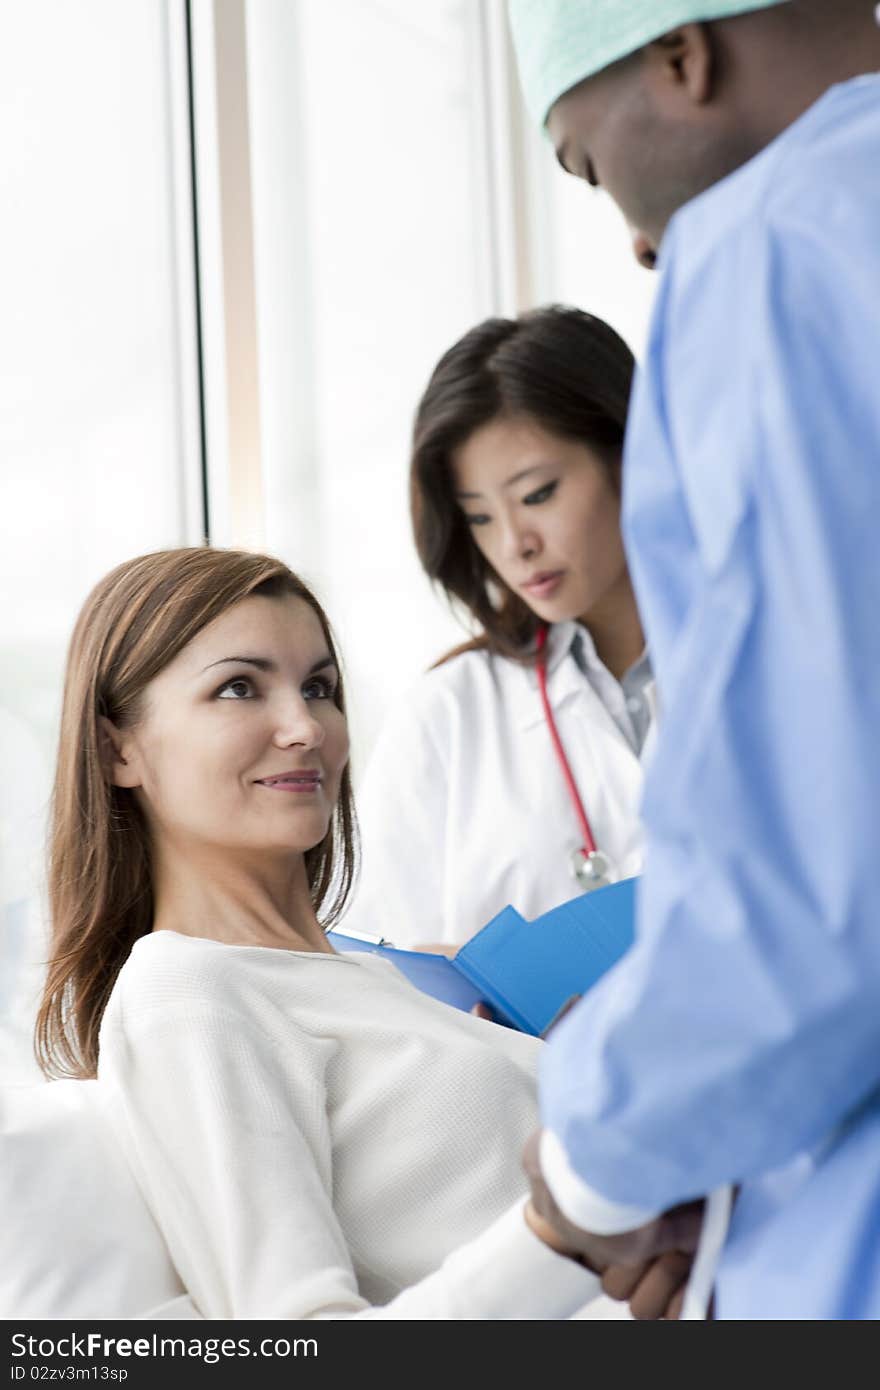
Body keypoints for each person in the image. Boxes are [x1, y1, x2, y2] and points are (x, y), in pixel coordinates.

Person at [506, 0, 880, 1317]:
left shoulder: (775, 248)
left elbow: (808, 901)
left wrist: (590, 1167)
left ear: (681, 52)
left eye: (591, 165)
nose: (641, 240)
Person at [34, 545, 631, 1321]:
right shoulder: (187, 994)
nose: (306, 727)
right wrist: (562, 1231)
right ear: (120, 748)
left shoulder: (394, 984)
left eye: (319, 687)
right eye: (239, 687)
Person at [345, 306, 653, 951]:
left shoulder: (778, 663)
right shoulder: (446, 714)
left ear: (631, 457)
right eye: (480, 517)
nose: (516, 545)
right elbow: (387, 968)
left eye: (538, 494)